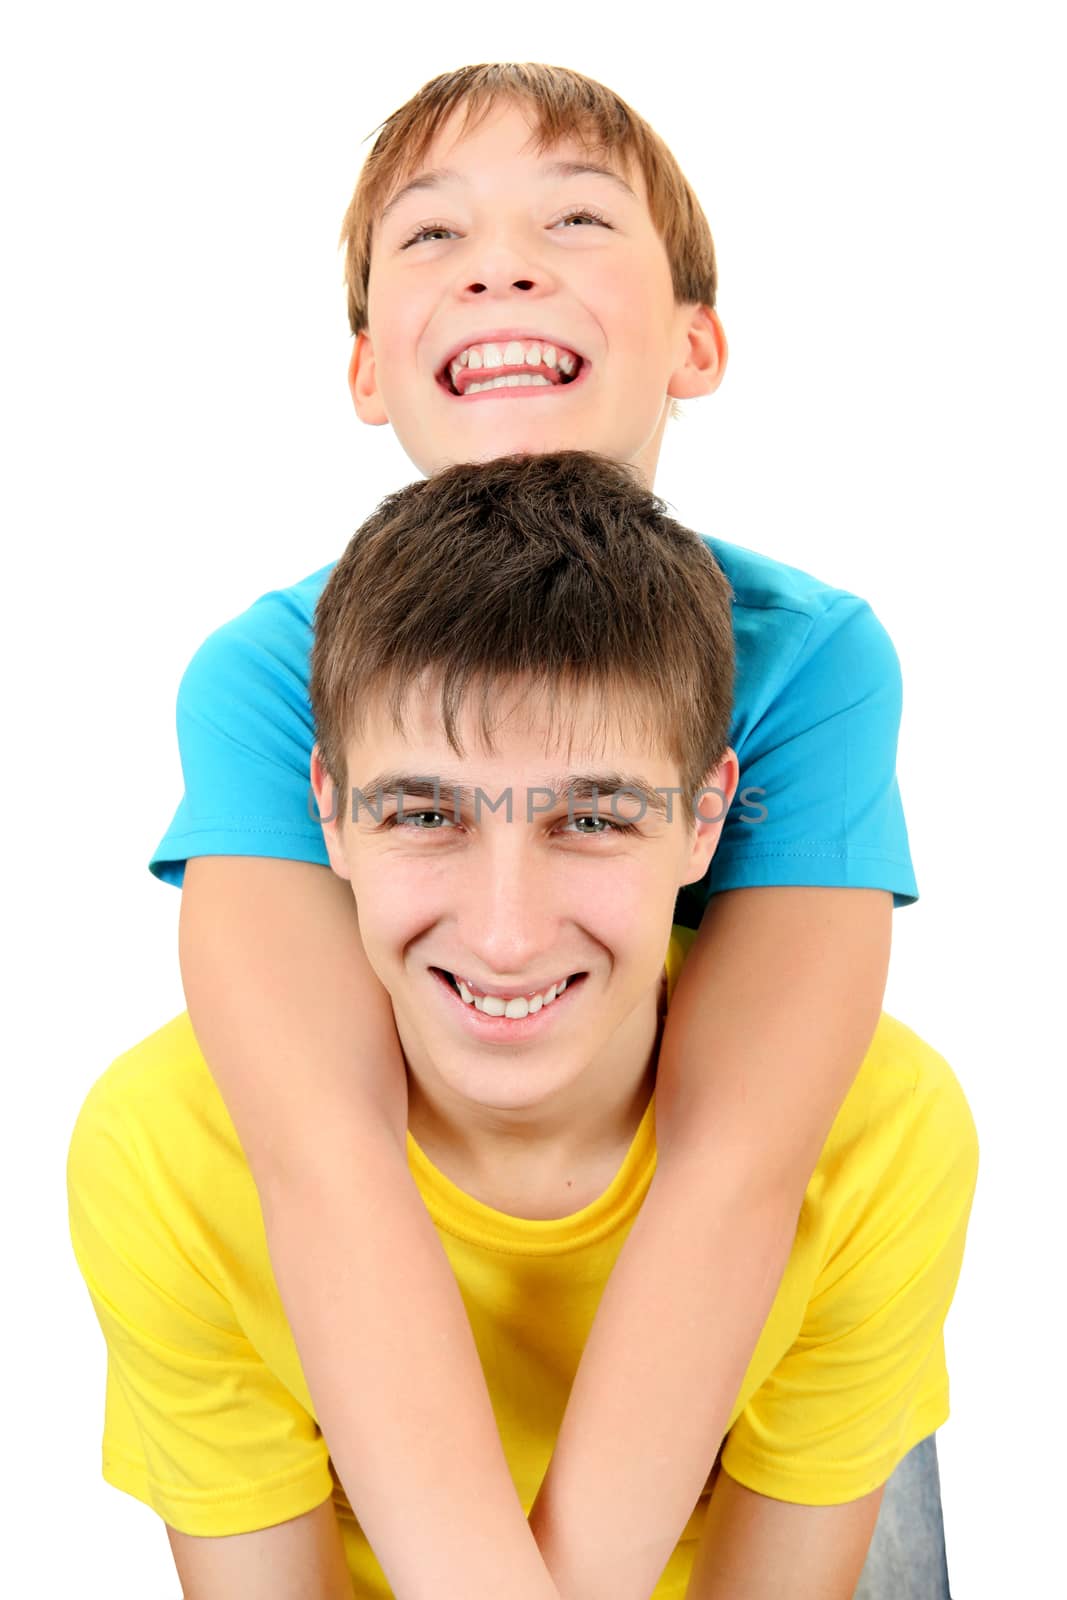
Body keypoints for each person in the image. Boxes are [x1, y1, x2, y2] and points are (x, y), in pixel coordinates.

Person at [150, 63, 944, 1600]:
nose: (503, 263)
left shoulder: (811, 657)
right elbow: (326, 1160)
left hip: (760, 1309)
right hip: (426, 1309)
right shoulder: (263, 679)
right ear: (369, 368)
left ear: (695, 342)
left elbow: (740, 1161)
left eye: (575, 218)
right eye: (430, 237)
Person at [69, 453, 978, 1599]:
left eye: (590, 817)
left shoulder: (876, 1138)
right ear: (326, 813)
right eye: (423, 813)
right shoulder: (169, 1154)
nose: (505, 935)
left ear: (706, 819)